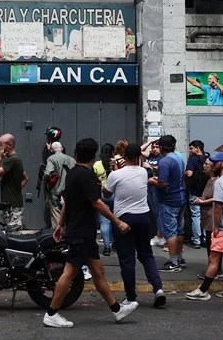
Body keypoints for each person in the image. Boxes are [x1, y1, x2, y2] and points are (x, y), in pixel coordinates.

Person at [42, 138, 136, 328]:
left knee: (98, 271)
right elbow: (97, 203)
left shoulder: (72, 174)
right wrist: (118, 222)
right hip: (81, 232)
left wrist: (60, 224)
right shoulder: (87, 176)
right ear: (93, 156)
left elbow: (67, 201)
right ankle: (52, 313)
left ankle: (116, 309)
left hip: (80, 231)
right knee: (69, 273)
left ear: (76, 153)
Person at [103, 143, 165, 308]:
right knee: (146, 255)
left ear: (124, 157)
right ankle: (158, 288)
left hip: (124, 218)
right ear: (139, 156)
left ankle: (131, 296)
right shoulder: (143, 172)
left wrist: (111, 175)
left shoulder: (116, 175)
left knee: (127, 259)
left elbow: (107, 193)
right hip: (143, 216)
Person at [186, 159, 223, 301]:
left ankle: (203, 290)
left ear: (222, 164)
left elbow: (218, 206)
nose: (212, 163)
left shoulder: (219, 182)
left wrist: (216, 226)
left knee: (213, 259)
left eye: (215, 161)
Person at [154, 135, 186, 272]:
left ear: (161, 147)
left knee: (170, 232)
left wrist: (152, 181)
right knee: (179, 230)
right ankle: (179, 258)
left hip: (169, 200)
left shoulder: (164, 161)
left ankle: (173, 263)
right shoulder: (179, 158)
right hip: (180, 197)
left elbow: (163, 183)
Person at [0, 133, 28, 232]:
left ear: (10, 145)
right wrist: (15, 189)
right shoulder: (16, 159)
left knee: (13, 237)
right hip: (11, 204)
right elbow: (25, 178)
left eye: (0, 144)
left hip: (12, 207)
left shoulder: (12, 160)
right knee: (9, 234)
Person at [45, 141, 76, 229]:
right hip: (69, 193)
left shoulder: (51, 159)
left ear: (52, 150)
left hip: (56, 192)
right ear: (62, 148)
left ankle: (58, 237)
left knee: (56, 216)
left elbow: (48, 173)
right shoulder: (71, 159)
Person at [37, 127, 63, 229]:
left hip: (55, 182)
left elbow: (53, 162)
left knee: (55, 206)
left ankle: (56, 230)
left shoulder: (58, 148)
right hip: (49, 182)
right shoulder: (47, 147)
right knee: (50, 205)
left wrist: (49, 151)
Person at [94, 143, 117, 256]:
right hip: (114, 194)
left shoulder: (97, 164)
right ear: (112, 152)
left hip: (102, 194)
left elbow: (93, 179)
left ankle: (106, 247)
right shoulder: (115, 163)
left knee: (104, 221)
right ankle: (116, 244)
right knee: (116, 220)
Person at [184, 140, 207, 249]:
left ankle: (196, 240)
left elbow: (189, 173)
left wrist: (184, 173)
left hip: (194, 191)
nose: (190, 150)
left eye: (191, 148)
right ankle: (206, 238)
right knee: (205, 214)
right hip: (206, 191)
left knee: (195, 215)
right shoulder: (207, 158)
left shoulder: (192, 159)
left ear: (198, 148)